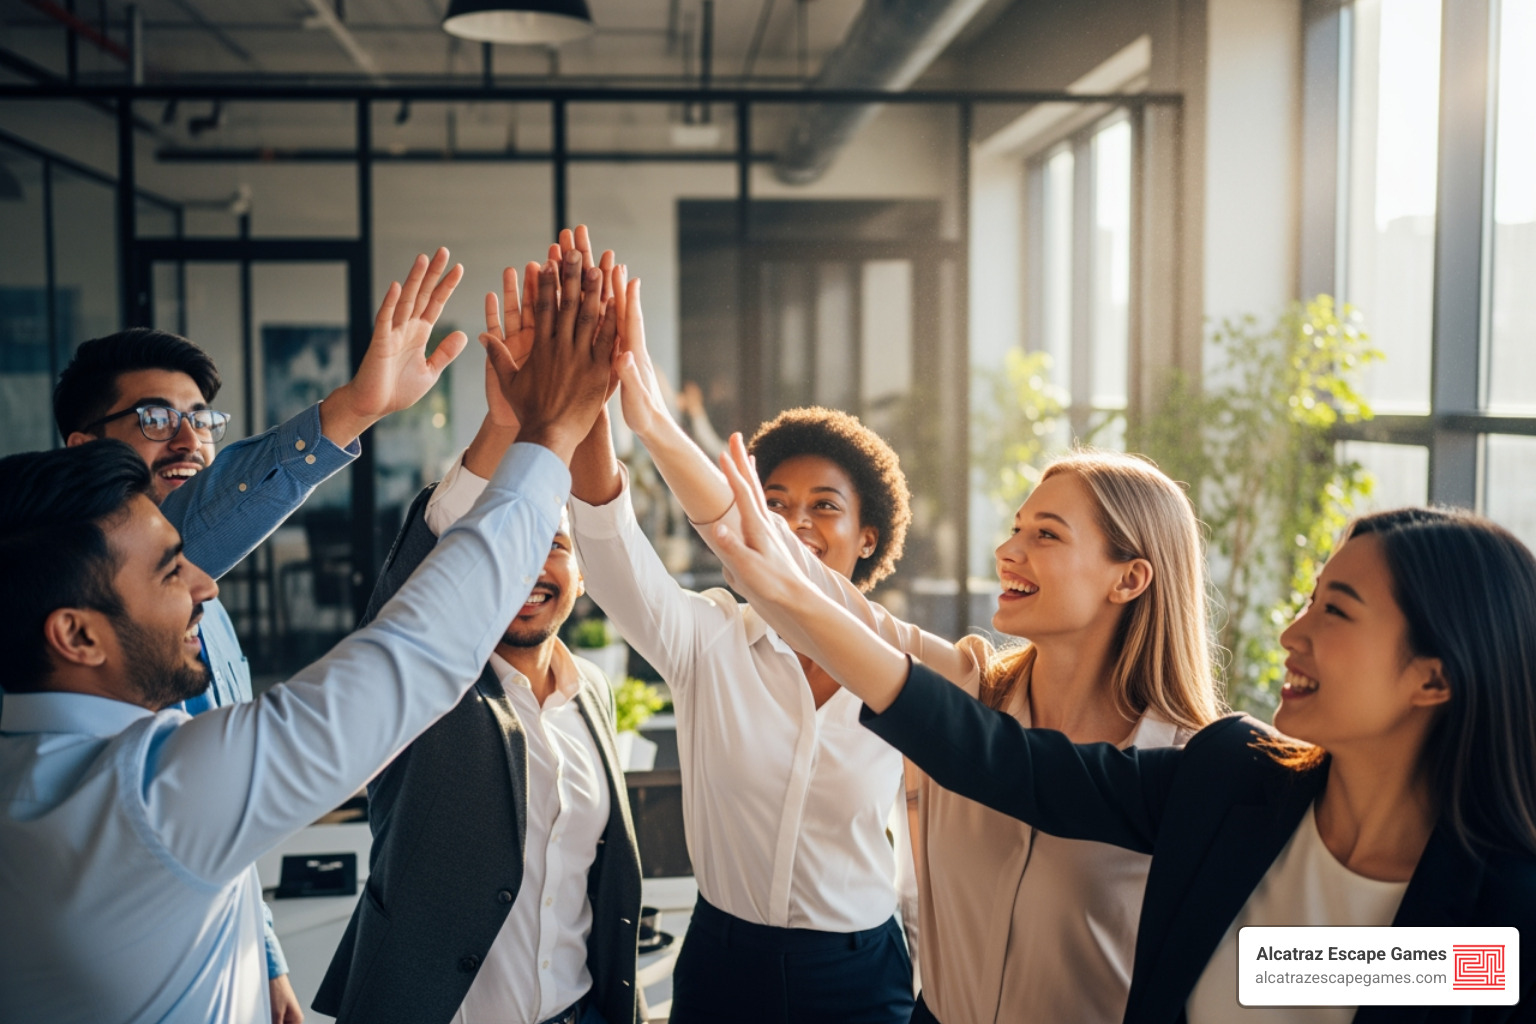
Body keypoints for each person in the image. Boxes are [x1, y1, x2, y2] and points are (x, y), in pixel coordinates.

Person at [708, 443, 1536, 1023]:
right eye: (1309, 599)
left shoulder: (1502, 905)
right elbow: (995, 756)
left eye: (1336, 611)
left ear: (1436, 676)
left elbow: (1329, 975)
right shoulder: (1234, 785)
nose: (1291, 633)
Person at [0, 246, 618, 1024]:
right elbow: (412, 657)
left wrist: (259, 961)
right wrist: (548, 435)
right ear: (77, 637)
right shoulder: (153, 798)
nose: (206, 583)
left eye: (201, 421)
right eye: (169, 572)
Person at [603, 258, 1220, 1020]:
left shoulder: (1191, 765)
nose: (1008, 552)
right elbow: (783, 576)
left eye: (1046, 534)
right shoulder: (964, 689)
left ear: (1129, 578)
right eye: (1016, 527)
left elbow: (1267, 965)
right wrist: (652, 423)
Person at [49, 248, 467, 1021]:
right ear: (83, 451)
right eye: (151, 420)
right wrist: (355, 408)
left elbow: (219, 832)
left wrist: (266, 957)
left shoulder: (201, 603)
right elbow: (195, 517)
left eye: (200, 420)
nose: (186, 440)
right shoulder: (76, 576)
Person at [567, 250, 919, 1024]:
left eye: (825, 506)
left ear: (867, 537)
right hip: (728, 965)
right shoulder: (709, 642)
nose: (796, 523)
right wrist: (593, 400)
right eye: (778, 501)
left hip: (864, 971)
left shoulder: (907, 669)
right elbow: (608, 547)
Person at [315, 249, 643, 1024]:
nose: (532, 567)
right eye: (513, 548)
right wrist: (507, 426)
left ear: (586, 575)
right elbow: (422, 575)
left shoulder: (590, 691)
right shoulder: (424, 683)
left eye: (555, 546)